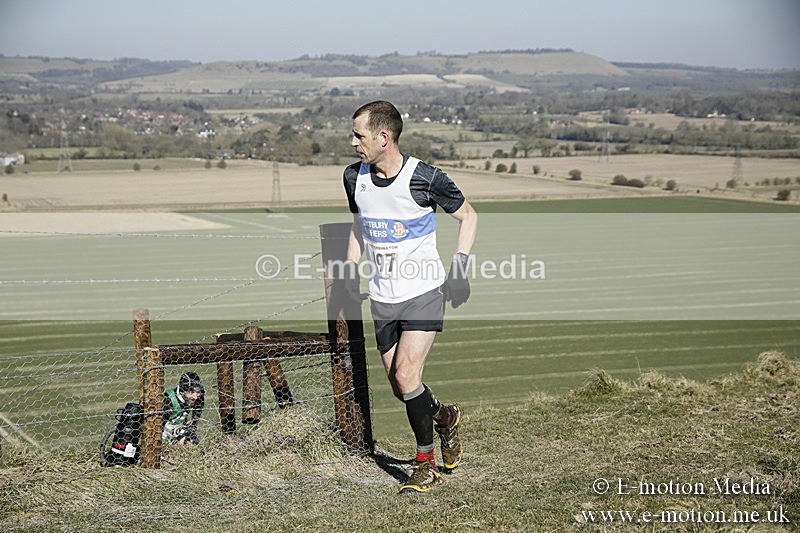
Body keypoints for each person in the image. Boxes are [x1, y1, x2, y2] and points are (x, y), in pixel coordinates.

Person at [342, 100, 478, 494]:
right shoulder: (354, 177)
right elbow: (358, 226)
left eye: (359, 135)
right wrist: (351, 268)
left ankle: (424, 465)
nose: (353, 143)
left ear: (384, 137)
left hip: (423, 290)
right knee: (403, 387)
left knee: (406, 374)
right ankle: (446, 418)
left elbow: (468, 215)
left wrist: (461, 268)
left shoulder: (425, 177)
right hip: (383, 297)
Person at [162, 372, 205, 445]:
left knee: (193, 443)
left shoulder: (198, 398)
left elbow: (197, 413)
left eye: (197, 392)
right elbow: (160, 426)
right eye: (191, 392)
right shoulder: (168, 400)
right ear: (182, 391)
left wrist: (191, 429)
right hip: (164, 435)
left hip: (179, 430)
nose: (195, 397)